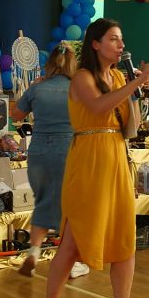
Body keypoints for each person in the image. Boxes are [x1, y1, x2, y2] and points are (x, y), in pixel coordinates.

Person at [39, 19, 149, 298]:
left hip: (117, 158)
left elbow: (131, 128)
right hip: (89, 161)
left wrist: (138, 94)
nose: (121, 45)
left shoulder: (119, 77)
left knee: (125, 239)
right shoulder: (82, 77)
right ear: (96, 44)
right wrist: (136, 83)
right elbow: (97, 106)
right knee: (72, 241)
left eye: (121, 39)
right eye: (114, 39)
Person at [10, 42, 91, 280]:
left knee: (44, 201)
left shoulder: (38, 88)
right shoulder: (78, 89)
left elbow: (15, 115)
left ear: (49, 63)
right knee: (70, 207)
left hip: (37, 152)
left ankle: (34, 252)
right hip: (67, 149)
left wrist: (32, 90)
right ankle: (71, 262)